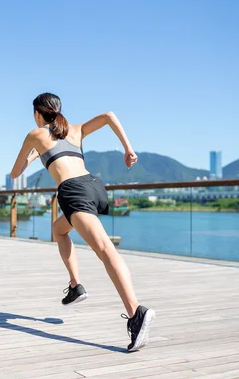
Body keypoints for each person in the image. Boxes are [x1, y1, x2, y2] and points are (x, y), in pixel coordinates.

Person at [11, 92, 155, 352]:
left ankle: (136, 313)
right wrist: (128, 149)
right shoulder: (75, 130)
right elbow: (109, 116)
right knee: (59, 230)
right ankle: (75, 286)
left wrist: (33, 156)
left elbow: (14, 173)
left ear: (37, 114)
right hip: (93, 186)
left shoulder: (36, 135)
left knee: (104, 249)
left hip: (73, 192)